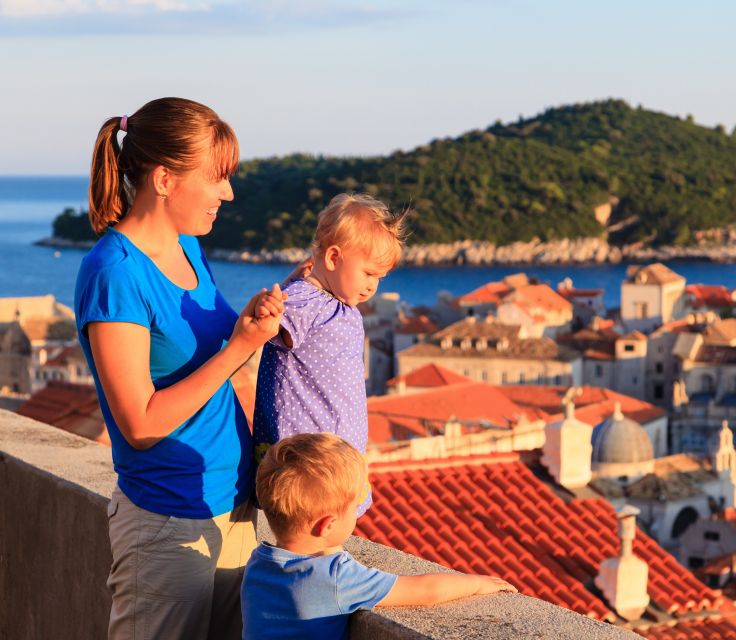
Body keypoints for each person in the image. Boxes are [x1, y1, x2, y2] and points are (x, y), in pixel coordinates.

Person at [75, 97, 291, 640]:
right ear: (165, 179)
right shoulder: (114, 273)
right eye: (217, 178)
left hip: (232, 506)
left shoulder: (187, 246)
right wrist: (236, 347)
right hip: (167, 524)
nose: (229, 193)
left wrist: (250, 325)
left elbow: (196, 355)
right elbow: (141, 424)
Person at [242, 433, 515, 639]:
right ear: (327, 525)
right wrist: (477, 583)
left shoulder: (258, 563)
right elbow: (426, 591)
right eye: (354, 505)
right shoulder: (335, 577)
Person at [252, 193, 405, 516]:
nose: (372, 286)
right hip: (308, 461)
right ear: (334, 258)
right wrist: (273, 304)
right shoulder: (305, 301)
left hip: (330, 454)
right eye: (368, 273)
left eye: (379, 278)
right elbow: (264, 327)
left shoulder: (336, 303)